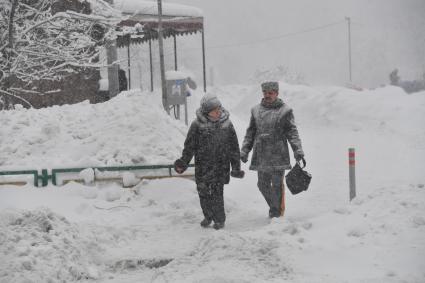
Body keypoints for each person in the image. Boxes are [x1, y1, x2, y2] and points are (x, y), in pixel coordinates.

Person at [174, 93, 244, 230]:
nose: (218, 111)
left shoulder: (227, 125)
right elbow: (189, 147)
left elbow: (234, 148)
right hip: (203, 166)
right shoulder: (197, 125)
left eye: (219, 108)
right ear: (207, 112)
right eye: (215, 109)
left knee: (217, 193)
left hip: (220, 166)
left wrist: (236, 167)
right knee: (203, 193)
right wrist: (183, 162)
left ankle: (219, 219)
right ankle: (208, 215)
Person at [240, 81, 305, 218]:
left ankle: (277, 213)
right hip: (261, 153)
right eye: (265, 92)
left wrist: (298, 151)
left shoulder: (285, 111)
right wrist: (245, 150)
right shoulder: (256, 110)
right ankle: (274, 206)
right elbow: (250, 133)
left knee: (276, 184)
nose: (267, 95)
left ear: (277, 93)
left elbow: (292, 133)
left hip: (278, 153)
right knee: (262, 185)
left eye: (270, 93)